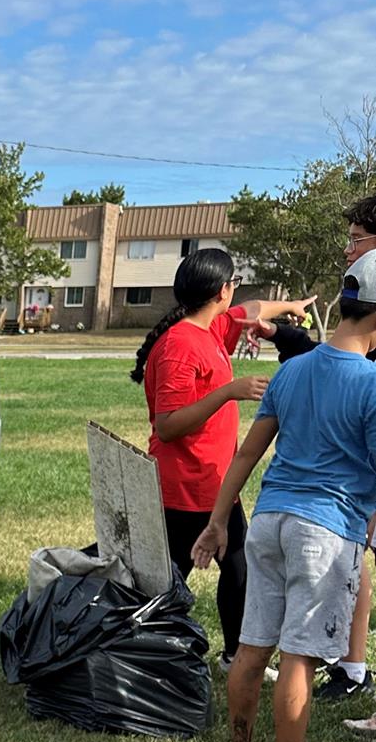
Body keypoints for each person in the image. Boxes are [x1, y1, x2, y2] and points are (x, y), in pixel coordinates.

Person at [193, 250, 376, 742]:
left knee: (253, 647)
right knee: (299, 655)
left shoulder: (291, 369)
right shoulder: (371, 383)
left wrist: (217, 520)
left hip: (268, 522)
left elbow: (247, 454)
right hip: (324, 533)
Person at [129, 249, 308, 668]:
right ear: (221, 290)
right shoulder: (180, 345)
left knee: (238, 567)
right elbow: (169, 425)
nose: (236, 294)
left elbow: (253, 309)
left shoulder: (212, 328)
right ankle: (138, 650)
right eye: (233, 285)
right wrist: (228, 391)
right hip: (185, 487)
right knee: (171, 581)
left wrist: (291, 308)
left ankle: (230, 655)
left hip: (215, 482)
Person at [246, 196, 376, 705]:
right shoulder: (358, 315)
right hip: (329, 512)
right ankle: (350, 663)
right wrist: (280, 331)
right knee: (350, 569)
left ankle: (349, 664)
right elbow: (328, 358)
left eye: (357, 239)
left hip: (310, 505)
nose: (348, 250)